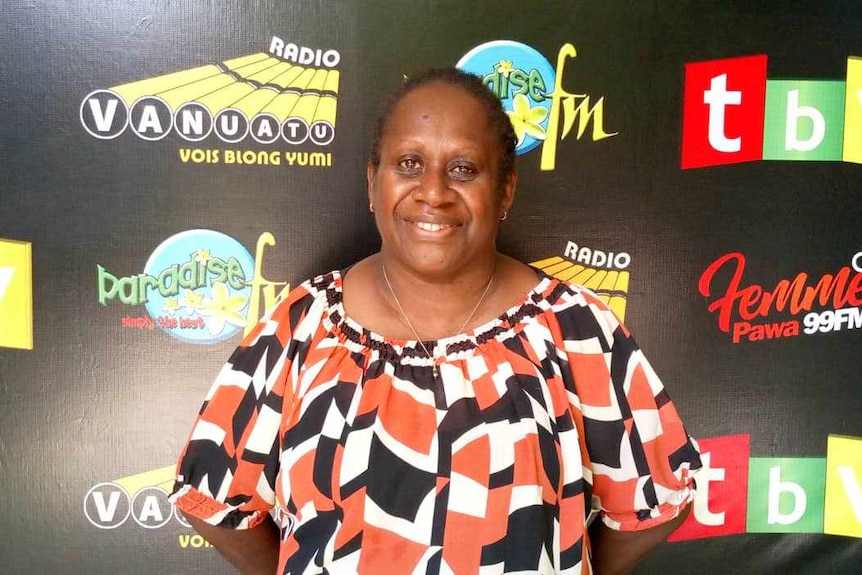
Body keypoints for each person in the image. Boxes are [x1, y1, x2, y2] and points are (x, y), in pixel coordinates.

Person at [170, 67, 702, 575]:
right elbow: (211, 499)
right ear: (373, 180)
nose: (434, 191)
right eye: (408, 164)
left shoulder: (576, 329)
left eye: (463, 168)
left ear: (506, 190)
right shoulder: (302, 326)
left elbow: (656, 500)